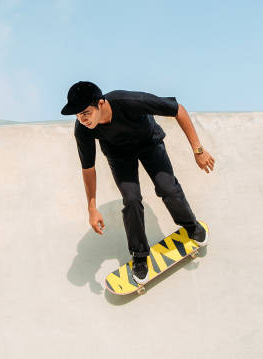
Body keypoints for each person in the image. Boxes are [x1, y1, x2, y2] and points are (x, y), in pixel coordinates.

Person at [61, 81, 215, 285]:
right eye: (78, 116)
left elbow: (178, 109)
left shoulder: (128, 101)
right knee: (131, 199)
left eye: (86, 113)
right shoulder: (83, 129)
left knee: (167, 187)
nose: (83, 120)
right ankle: (139, 256)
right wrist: (91, 207)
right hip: (119, 156)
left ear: (100, 103)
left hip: (149, 144)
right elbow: (88, 169)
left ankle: (190, 225)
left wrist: (198, 150)